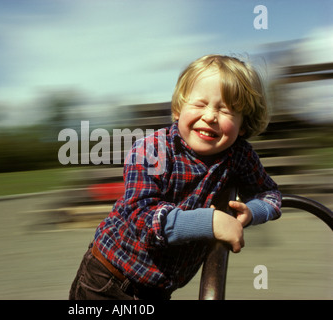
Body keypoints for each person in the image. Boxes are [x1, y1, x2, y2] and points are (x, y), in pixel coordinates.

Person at [69, 54, 282, 300]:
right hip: (108, 280)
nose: (211, 116)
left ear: (243, 124)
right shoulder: (152, 149)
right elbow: (143, 220)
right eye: (200, 105)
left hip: (159, 291)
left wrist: (251, 212)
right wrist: (211, 221)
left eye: (226, 110)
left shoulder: (239, 155)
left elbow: (271, 195)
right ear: (178, 109)